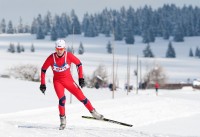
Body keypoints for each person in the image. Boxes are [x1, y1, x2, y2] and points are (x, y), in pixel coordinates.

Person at [39, 39, 103, 130]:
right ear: (55, 49)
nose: (59, 51)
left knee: (82, 97)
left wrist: (81, 78)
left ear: (64, 49)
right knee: (62, 100)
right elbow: (43, 70)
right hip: (58, 82)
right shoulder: (51, 58)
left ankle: (94, 113)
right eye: (57, 49)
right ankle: (62, 121)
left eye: (61, 49)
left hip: (69, 81)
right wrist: (43, 84)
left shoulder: (68, 55)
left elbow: (79, 64)